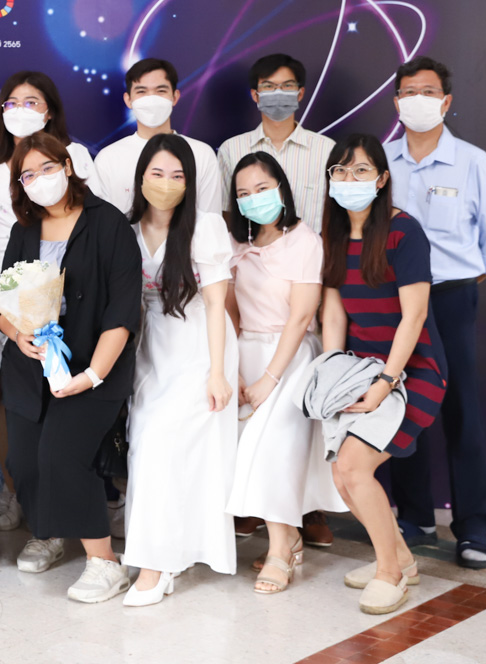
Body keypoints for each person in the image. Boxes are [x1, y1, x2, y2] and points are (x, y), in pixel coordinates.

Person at [383, 56, 486, 567]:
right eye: (408, 92)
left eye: (428, 91)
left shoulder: (473, 162)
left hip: (451, 296)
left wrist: (476, 271)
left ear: (446, 101)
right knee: (402, 405)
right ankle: (414, 517)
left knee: (461, 410)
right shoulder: (382, 161)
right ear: (396, 102)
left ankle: (473, 530)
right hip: (396, 299)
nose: (417, 100)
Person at [0, 133, 140, 604]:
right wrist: (17, 334)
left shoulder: (109, 224)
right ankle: (49, 532)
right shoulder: (24, 229)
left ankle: (105, 562)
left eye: (47, 168)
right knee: (25, 461)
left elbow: (122, 312)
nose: (40, 179)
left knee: (62, 454)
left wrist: (93, 375)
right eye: (28, 174)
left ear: (68, 166)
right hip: (29, 367)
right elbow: (4, 303)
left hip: (92, 368)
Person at [0, 71, 104, 532]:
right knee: (6, 396)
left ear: (50, 111)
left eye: (32, 101)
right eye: (12, 102)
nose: (21, 110)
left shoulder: (73, 155)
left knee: (59, 388)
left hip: (61, 295)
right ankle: (12, 490)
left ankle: (65, 499)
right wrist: (2, 302)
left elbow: (91, 224)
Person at [319, 133, 448, 614]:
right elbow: (334, 314)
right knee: (341, 473)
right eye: (340, 170)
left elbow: (414, 317)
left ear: (381, 179)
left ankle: (389, 573)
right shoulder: (332, 235)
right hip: (360, 369)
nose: (348, 179)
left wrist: (385, 383)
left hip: (413, 372)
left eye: (360, 170)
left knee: (354, 467)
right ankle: (402, 560)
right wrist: (333, 375)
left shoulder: (403, 232)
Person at [122, 133, 237, 606]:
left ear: (189, 183)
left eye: (177, 175)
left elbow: (216, 305)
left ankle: (157, 565)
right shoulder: (126, 229)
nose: (166, 183)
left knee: (162, 447)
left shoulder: (205, 227)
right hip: (149, 350)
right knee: (144, 449)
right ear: (141, 178)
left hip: (198, 347)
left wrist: (217, 372)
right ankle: (161, 552)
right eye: (157, 173)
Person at [223, 152, 344, 594]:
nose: (253, 198)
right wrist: (232, 367)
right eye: (243, 193)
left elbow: (301, 316)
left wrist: (270, 379)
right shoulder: (236, 245)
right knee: (244, 453)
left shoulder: (304, 241)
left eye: (261, 189)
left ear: (281, 188)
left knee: (270, 448)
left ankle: (279, 551)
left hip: (291, 359)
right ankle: (288, 538)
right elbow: (231, 312)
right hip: (246, 352)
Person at [216, 53, 337, 234]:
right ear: (255, 95)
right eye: (268, 86)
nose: (278, 92)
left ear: (300, 93)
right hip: (251, 250)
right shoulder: (231, 150)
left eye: (287, 85)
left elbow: (337, 214)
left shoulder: (327, 150)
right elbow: (226, 212)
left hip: (313, 250)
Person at [94, 58, 223, 217]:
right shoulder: (108, 158)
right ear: (128, 100)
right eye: (141, 91)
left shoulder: (202, 154)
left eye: (161, 91)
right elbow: (102, 222)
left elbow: (211, 220)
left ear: (175, 97)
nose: (151, 99)